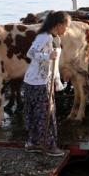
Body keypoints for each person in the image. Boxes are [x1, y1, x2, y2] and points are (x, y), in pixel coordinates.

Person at [23, 11, 70, 157]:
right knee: (44, 114)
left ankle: (34, 143)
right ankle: (48, 146)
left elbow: (53, 66)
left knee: (40, 113)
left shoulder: (53, 38)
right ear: (59, 25)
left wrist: (58, 81)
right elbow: (30, 53)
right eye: (66, 26)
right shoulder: (44, 37)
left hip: (42, 80)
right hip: (37, 83)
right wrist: (47, 56)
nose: (67, 29)